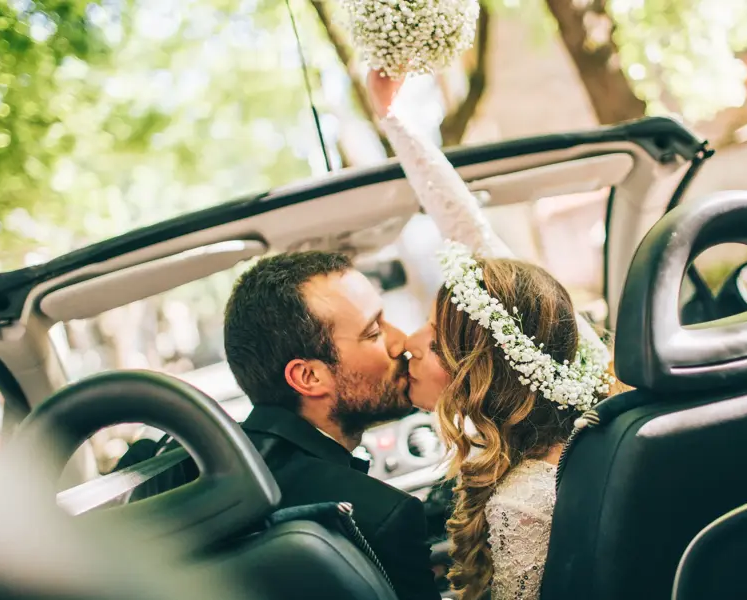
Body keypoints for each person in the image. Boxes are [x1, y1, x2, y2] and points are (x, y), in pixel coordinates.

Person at [366, 70, 617, 600]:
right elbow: (471, 231)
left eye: (435, 343)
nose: (406, 343)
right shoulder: (580, 383)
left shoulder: (520, 504)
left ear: (485, 372)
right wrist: (394, 121)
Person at [134, 251, 441, 600]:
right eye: (374, 331)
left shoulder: (167, 469)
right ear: (308, 377)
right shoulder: (381, 516)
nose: (400, 340)